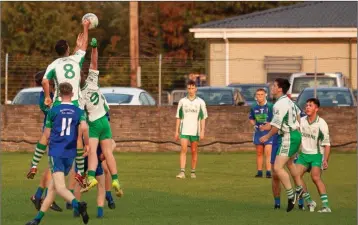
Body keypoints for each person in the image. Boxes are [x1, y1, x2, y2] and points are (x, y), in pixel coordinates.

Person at [27, 20, 91, 182]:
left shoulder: (54, 64)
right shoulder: (76, 61)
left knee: (47, 135)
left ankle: (34, 165)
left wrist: (48, 96)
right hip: (75, 104)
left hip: (57, 105)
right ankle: (80, 172)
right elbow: (84, 47)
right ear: (68, 50)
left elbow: (44, 81)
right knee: (77, 138)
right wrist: (85, 27)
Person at [25, 82, 89, 225]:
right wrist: (79, 170)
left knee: (60, 188)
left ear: (59, 95)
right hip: (70, 155)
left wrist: (34, 164)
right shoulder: (79, 112)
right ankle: (37, 220)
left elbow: (45, 137)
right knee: (52, 189)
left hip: (56, 154)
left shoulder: (53, 111)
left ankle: (78, 205)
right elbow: (80, 139)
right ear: (72, 95)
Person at [78, 38, 123, 197]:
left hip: (95, 123)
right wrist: (95, 47)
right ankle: (116, 179)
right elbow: (94, 63)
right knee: (108, 152)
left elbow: (80, 114)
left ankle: (91, 177)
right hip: (105, 120)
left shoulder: (80, 95)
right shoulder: (92, 81)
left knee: (92, 152)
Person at [259, 78, 307, 212]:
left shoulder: (279, 104)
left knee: (277, 167)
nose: (272, 87)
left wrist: (267, 136)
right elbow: (296, 115)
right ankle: (299, 190)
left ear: (280, 89)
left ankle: (292, 195)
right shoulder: (289, 102)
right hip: (294, 135)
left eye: (274, 85)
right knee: (290, 164)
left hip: (288, 137)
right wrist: (297, 129)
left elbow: (276, 127)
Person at [28, 71, 62, 212]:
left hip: (58, 133)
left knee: (53, 167)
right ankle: (47, 197)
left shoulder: (52, 94)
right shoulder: (45, 99)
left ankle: (39, 196)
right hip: (52, 133)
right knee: (55, 167)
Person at [295, 98, 332, 213]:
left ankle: (326, 206)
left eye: (310, 105)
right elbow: (295, 137)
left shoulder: (322, 124)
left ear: (316, 108)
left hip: (317, 155)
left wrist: (325, 160)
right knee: (296, 176)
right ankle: (310, 201)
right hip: (304, 155)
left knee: (315, 177)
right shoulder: (301, 121)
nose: (307, 107)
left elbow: (327, 145)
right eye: (306, 105)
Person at [175, 80, 208, 179]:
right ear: (187, 89)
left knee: (194, 150)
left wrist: (202, 130)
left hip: (195, 131)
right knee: (183, 149)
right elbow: (178, 117)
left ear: (196, 89)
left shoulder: (200, 102)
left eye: (192, 88)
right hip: (184, 129)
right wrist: (176, 131)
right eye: (189, 88)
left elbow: (203, 118)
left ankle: (193, 171)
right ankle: (182, 172)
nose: (191, 90)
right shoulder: (182, 101)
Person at [249, 88, 273, 178]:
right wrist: (254, 125)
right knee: (259, 152)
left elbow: (275, 119)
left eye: (261, 94)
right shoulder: (254, 106)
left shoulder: (270, 106)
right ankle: (259, 172)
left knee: (268, 152)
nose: (259, 96)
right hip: (258, 132)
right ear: (256, 96)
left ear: (265, 95)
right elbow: (251, 118)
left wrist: (269, 125)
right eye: (258, 95)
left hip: (269, 133)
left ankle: (268, 172)